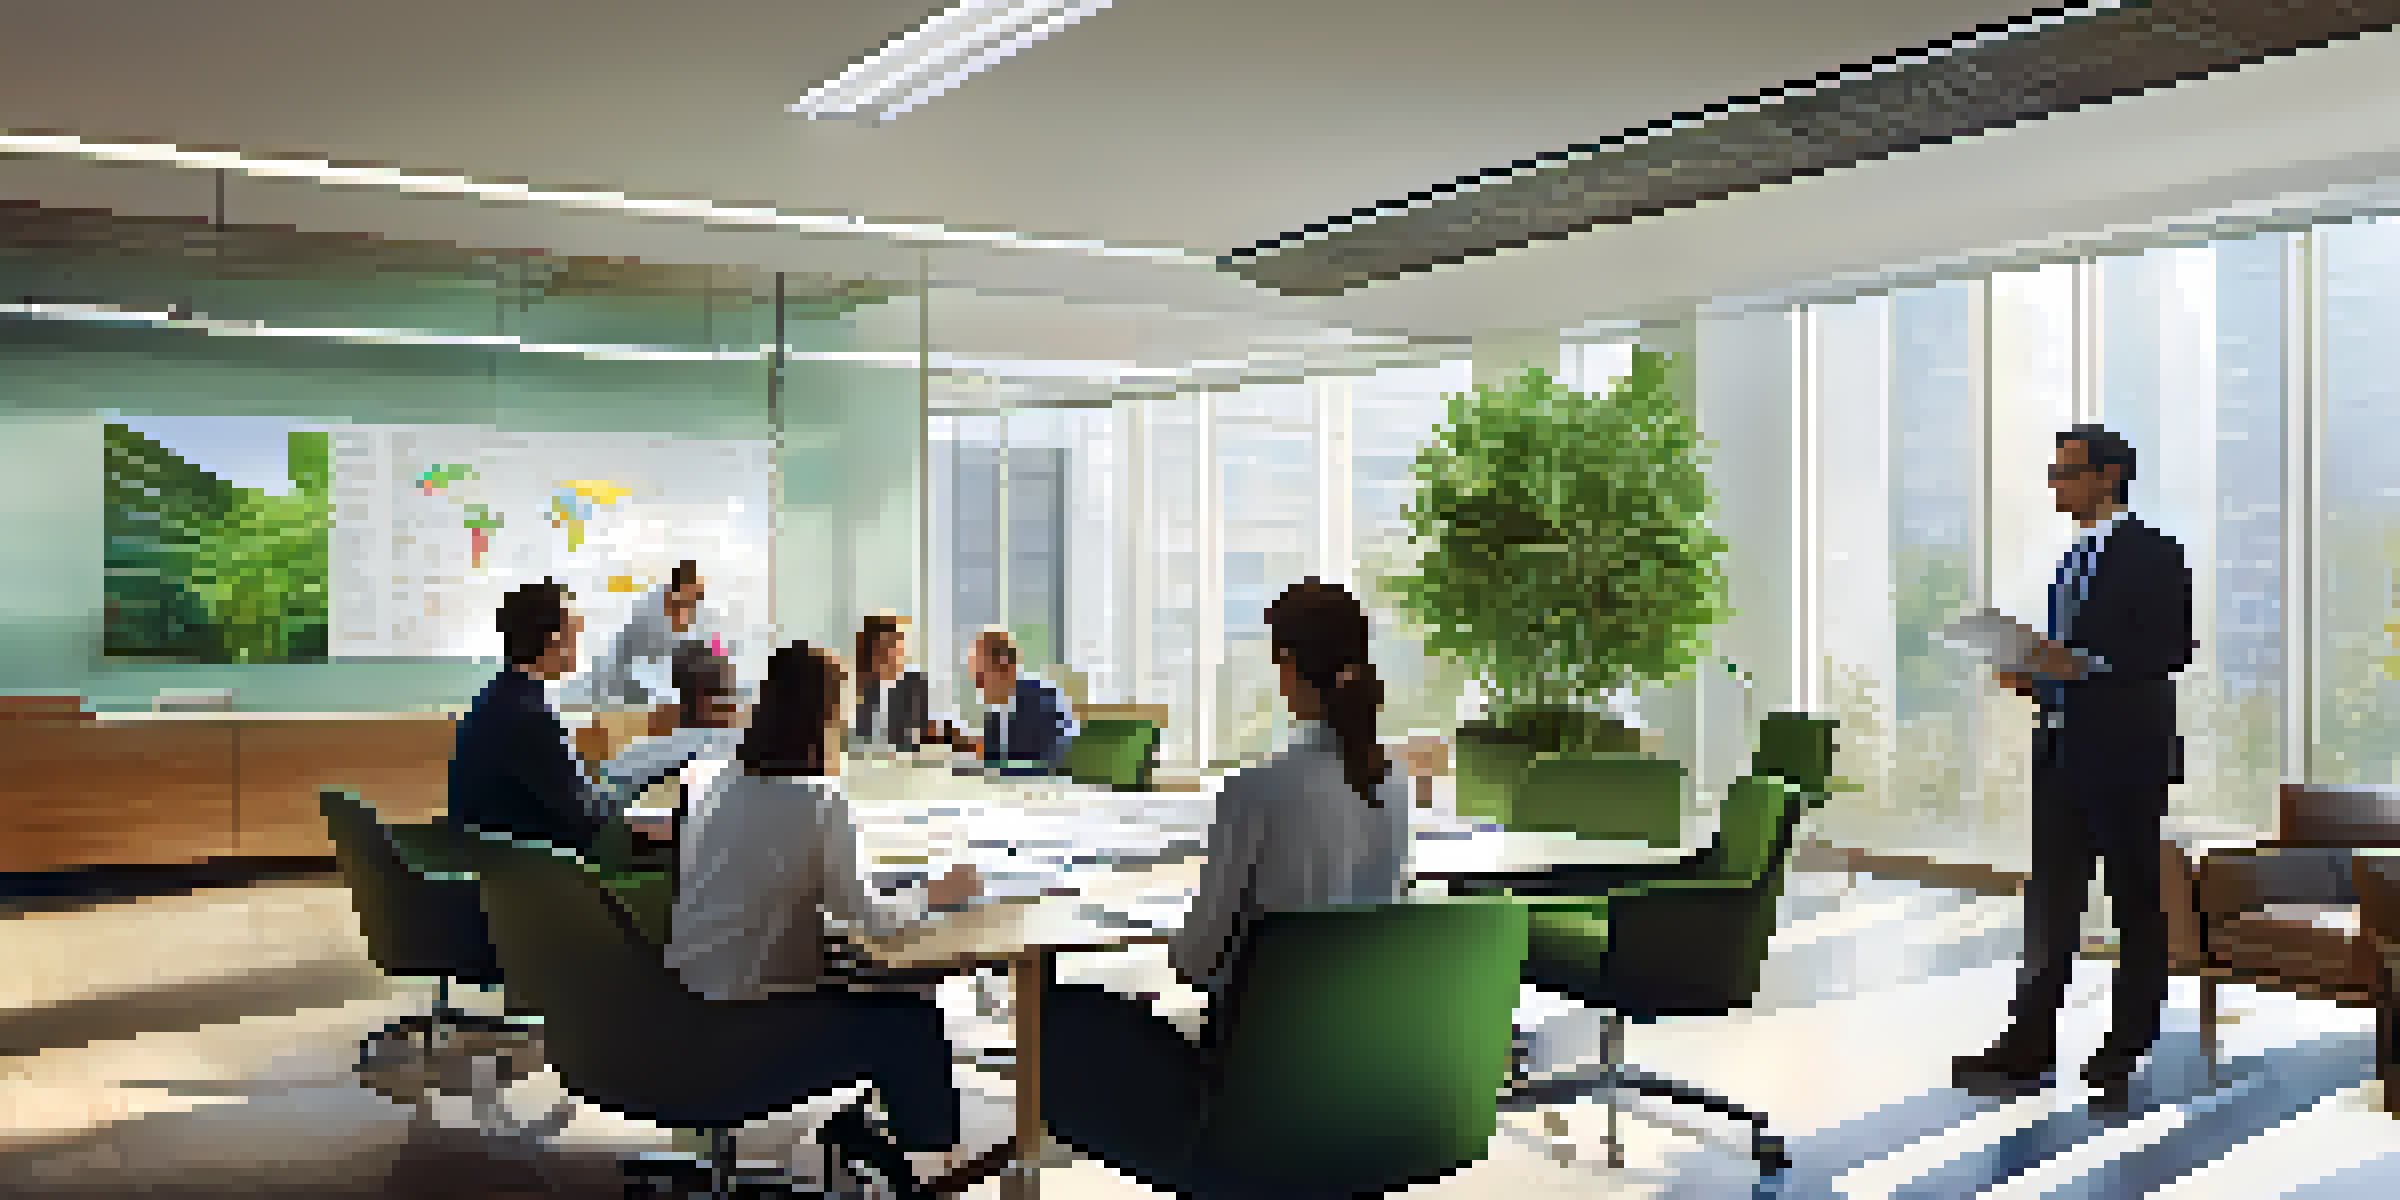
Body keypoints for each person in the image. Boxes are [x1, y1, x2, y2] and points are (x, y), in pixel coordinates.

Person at [1035, 578, 1414, 1170]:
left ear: (1287, 667)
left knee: (1060, 1017)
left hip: (1244, 1096)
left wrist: (1172, 940)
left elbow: (1195, 963)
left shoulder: (1255, 792)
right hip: (1359, 1085)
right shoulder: (1394, 786)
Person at [665, 641, 986, 1195]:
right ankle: (935, 1173)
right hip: (749, 1021)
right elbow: (874, 922)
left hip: (681, 1005)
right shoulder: (817, 801)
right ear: (826, 718)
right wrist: (936, 891)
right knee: (911, 1018)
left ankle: (861, 1134)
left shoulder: (714, 784)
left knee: (871, 978)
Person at [1953, 425, 2193, 1111]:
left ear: (2108, 477)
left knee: (2133, 901)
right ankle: (2028, 1042)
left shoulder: (2153, 552)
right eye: (2055, 473)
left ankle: (2127, 1044)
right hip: (2060, 747)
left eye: (2067, 473)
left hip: (2124, 756)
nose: (2056, 485)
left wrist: (2080, 666)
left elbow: (2168, 649)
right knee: (2051, 903)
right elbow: (2075, 660)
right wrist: (2036, 676)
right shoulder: (2074, 557)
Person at [448, 580, 617, 856]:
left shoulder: (495, 698)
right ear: (554, 640)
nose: (579, 644)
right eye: (574, 633)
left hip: (495, 862)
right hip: (533, 872)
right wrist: (636, 818)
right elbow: (585, 819)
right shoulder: (529, 717)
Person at [595, 641, 744, 840]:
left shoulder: (634, 757)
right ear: (713, 698)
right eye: (730, 693)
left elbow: (601, 804)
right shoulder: (731, 752)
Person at [926, 630, 1078, 775]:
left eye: (980, 675)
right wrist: (957, 739)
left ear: (1005, 667)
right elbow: (996, 753)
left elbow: (1048, 765)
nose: (977, 684)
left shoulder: (1044, 701)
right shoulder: (1000, 711)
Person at [565, 559, 708, 713]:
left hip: (632, 686)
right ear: (678, 588)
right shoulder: (653, 612)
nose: (694, 602)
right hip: (618, 686)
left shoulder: (679, 617)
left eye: (696, 597)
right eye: (692, 595)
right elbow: (644, 663)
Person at [851, 613, 932, 755]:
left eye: (894, 644)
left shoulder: (914, 685)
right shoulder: (858, 686)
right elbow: (854, 736)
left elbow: (916, 736)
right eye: (883, 646)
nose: (890, 652)